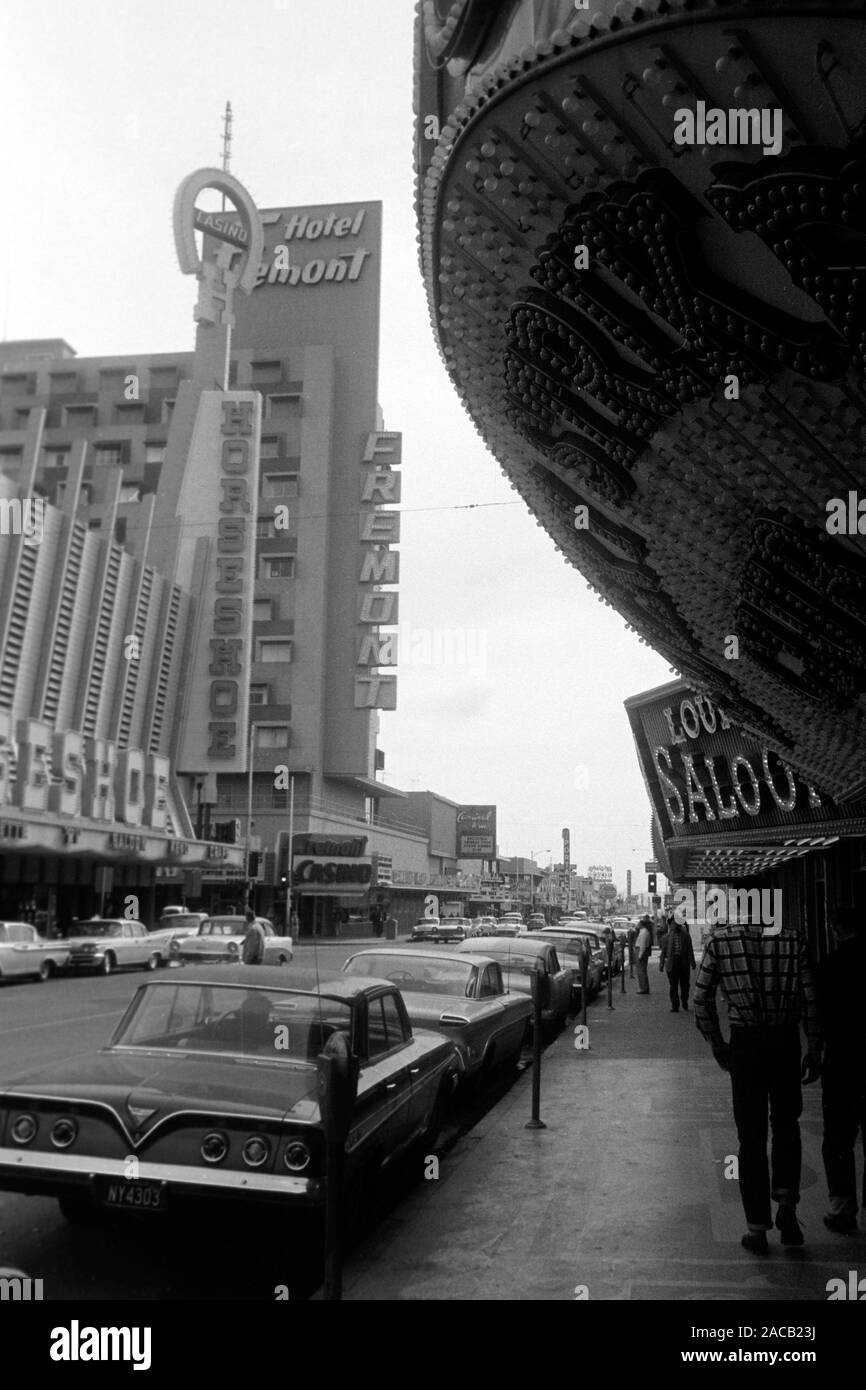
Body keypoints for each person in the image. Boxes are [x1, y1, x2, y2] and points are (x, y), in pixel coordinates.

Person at [693, 915, 821, 1254]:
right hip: (785, 1043)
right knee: (786, 1126)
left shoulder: (720, 942)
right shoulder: (795, 939)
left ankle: (757, 1228)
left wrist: (717, 1042)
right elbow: (811, 997)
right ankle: (788, 1209)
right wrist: (814, 1046)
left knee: (750, 1137)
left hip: (746, 1045)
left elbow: (700, 998)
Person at [817, 905, 866, 1233]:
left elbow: (817, 1015)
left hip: (842, 1063)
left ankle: (843, 1210)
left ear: (835, 930)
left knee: (838, 1139)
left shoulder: (830, 966)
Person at [659, 908, 697, 1012]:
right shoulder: (666, 938)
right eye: (672, 923)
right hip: (672, 964)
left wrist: (693, 962)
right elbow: (663, 953)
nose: (674, 925)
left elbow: (690, 950)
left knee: (685, 985)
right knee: (673, 986)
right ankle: (675, 1005)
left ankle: (684, 1000)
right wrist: (661, 964)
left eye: (676, 923)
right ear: (670, 924)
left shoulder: (686, 936)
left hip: (683, 964)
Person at [635, 915, 653, 994]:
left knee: (641, 971)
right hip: (641, 951)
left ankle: (643, 988)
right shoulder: (643, 932)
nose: (637, 925)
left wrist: (640, 955)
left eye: (638, 924)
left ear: (641, 925)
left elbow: (642, 945)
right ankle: (643, 987)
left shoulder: (644, 933)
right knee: (641, 971)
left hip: (641, 951)